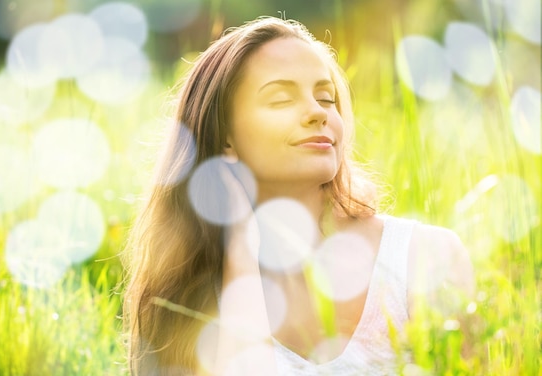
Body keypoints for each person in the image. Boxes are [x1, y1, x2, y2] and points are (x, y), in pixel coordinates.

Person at [123, 16, 474, 375]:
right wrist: (241, 250)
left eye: (327, 98)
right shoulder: (187, 301)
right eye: (280, 99)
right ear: (224, 134)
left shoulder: (425, 260)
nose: (317, 113)